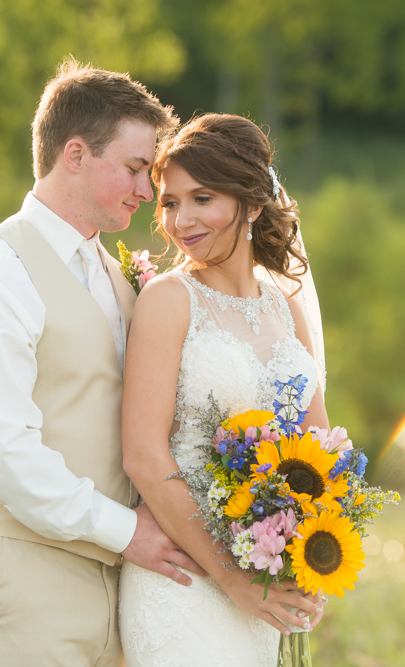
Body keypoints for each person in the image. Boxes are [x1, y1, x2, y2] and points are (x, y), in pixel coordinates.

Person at [0, 58, 206, 667]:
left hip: (108, 594)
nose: (146, 192)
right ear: (74, 155)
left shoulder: (111, 274)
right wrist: (129, 532)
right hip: (12, 587)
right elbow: (2, 454)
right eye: (134, 169)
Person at [118, 114, 329, 666]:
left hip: (265, 583)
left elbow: (319, 445)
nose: (180, 220)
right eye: (169, 202)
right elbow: (143, 455)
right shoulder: (168, 300)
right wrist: (232, 576)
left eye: (201, 198)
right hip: (185, 582)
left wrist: (310, 553)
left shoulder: (286, 310)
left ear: (253, 203)